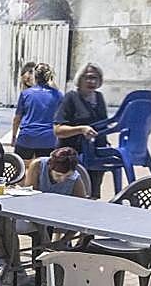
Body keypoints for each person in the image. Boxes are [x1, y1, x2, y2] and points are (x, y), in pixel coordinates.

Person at [55, 63, 110, 199]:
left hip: (95, 152)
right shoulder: (71, 98)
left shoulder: (99, 98)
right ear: (80, 79)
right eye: (88, 77)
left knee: (93, 195)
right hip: (72, 155)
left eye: (96, 78)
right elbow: (58, 130)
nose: (92, 81)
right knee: (76, 195)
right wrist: (81, 129)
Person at [10, 62, 62, 161]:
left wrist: (13, 136)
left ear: (35, 76)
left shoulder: (26, 94)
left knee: (21, 169)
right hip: (49, 140)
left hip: (27, 138)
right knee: (46, 170)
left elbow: (17, 118)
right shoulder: (58, 95)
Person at [24, 146, 88, 198]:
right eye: (58, 175)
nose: (62, 179)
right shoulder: (37, 166)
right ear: (49, 166)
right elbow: (30, 194)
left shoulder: (75, 179)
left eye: (68, 176)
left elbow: (81, 202)